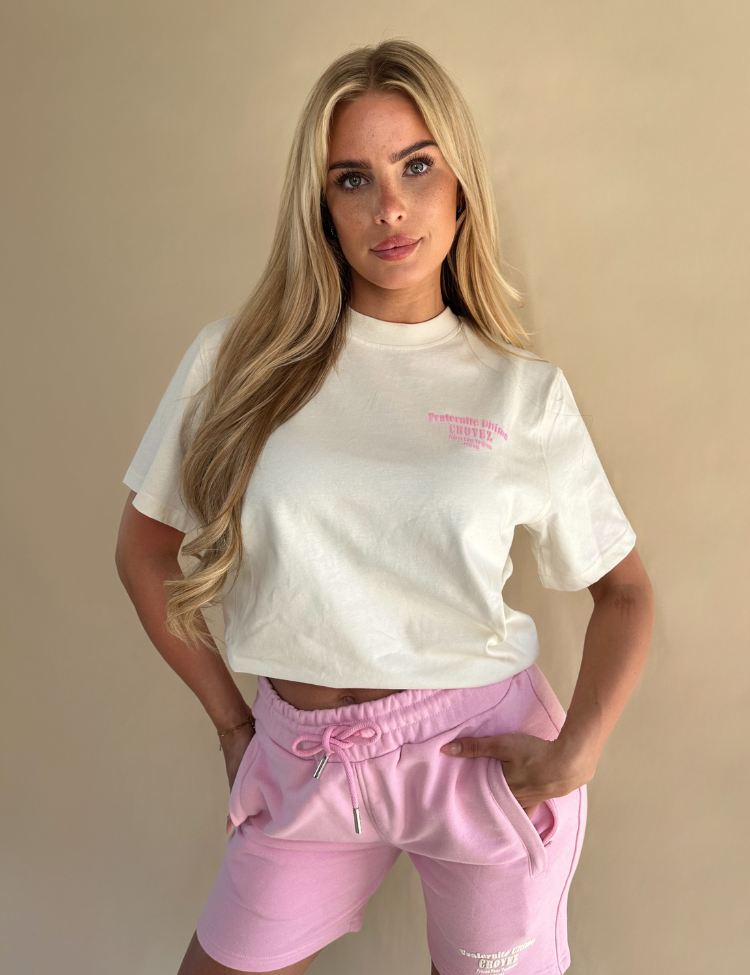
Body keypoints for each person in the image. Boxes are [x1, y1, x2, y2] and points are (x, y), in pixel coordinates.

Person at [115, 39, 654, 975]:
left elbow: (627, 592)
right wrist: (233, 723)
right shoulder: (236, 362)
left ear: (461, 185)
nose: (391, 207)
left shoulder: (520, 392)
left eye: (417, 166)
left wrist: (579, 750)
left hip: (479, 758)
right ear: (322, 208)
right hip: (305, 758)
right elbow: (143, 549)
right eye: (353, 180)